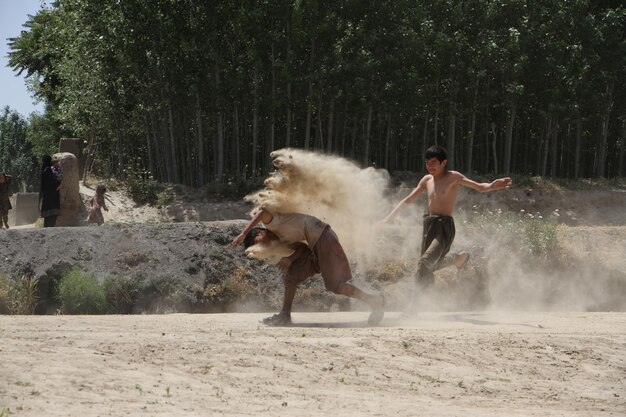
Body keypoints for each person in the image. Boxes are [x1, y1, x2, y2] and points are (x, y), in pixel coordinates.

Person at [381, 145, 512, 291]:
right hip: (429, 225)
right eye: (427, 163)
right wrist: (388, 218)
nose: (430, 166)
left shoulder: (453, 177)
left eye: (433, 163)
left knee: (425, 262)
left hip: (444, 227)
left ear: (443, 163)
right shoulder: (426, 180)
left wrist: (493, 185)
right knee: (425, 267)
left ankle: (413, 307)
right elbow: (408, 199)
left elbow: (480, 187)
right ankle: (458, 259)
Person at [232, 208, 385, 326]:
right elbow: (302, 249)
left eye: (257, 241)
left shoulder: (271, 222)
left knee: (335, 286)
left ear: (260, 231)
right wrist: (289, 259)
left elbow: (262, 211)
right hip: (315, 246)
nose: (260, 246)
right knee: (291, 277)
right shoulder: (280, 241)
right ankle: (285, 315)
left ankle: (374, 301)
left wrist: (243, 234)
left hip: (323, 236)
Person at [39, 155, 62, 227]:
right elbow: (52, 182)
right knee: (52, 217)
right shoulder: (49, 170)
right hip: (53, 195)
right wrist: (59, 182)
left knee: (47, 218)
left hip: (47, 196)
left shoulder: (44, 170)